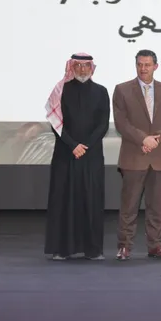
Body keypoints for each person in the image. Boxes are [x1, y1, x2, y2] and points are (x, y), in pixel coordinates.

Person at [112, 50, 161, 261]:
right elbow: (121, 123)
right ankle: (124, 246)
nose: (143, 68)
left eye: (147, 65)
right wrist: (143, 139)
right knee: (129, 206)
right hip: (134, 156)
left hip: (159, 158)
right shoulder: (122, 90)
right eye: (140, 64)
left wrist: (157, 140)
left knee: (156, 207)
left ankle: (156, 246)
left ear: (155, 66)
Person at [43, 53, 110, 260]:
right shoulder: (61, 90)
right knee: (63, 200)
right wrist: (73, 145)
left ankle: (93, 250)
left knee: (91, 201)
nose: (82, 69)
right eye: (78, 65)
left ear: (92, 68)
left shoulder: (101, 92)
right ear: (71, 67)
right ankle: (62, 249)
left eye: (86, 65)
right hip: (66, 154)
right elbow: (56, 123)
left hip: (91, 156)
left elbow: (103, 124)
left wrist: (85, 146)